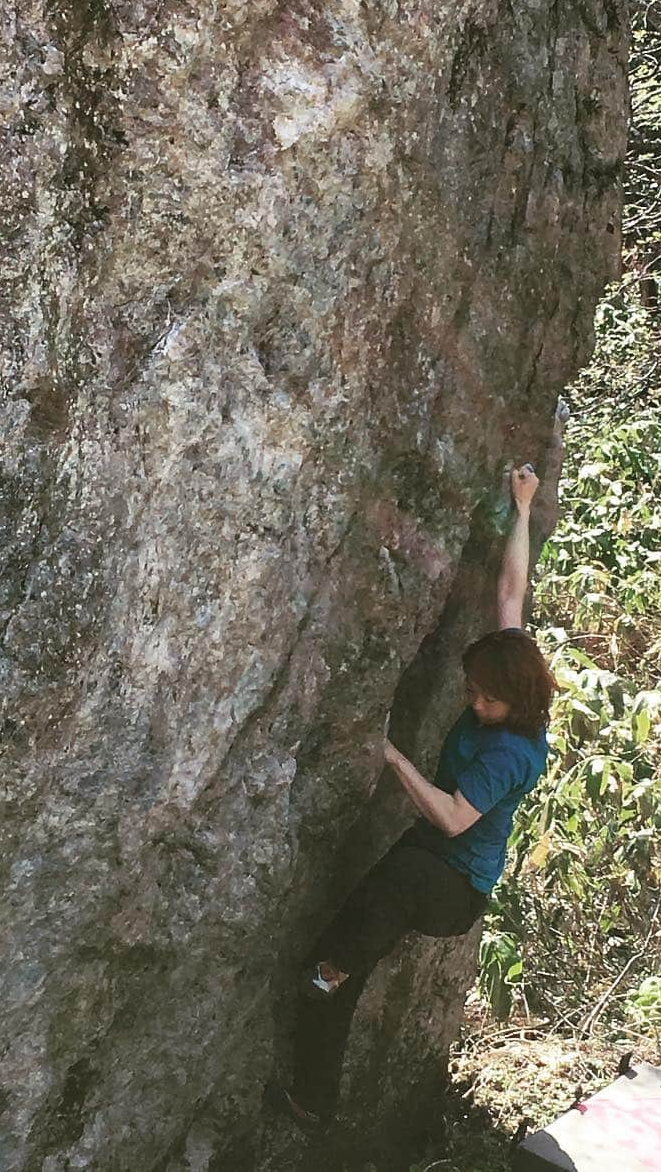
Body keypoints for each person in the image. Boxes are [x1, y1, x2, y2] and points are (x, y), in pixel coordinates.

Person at [268, 462, 557, 1132]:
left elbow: (456, 819)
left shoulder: (512, 749)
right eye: (473, 690)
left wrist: (392, 755)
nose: (475, 702)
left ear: (517, 700)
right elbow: (513, 592)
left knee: (354, 940)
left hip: (448, 883)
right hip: (426, 862)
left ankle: (322, 1006)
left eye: (486, 698)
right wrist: (521, 509)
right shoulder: (514, 673)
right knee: (363, 924)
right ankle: (322, 1038)